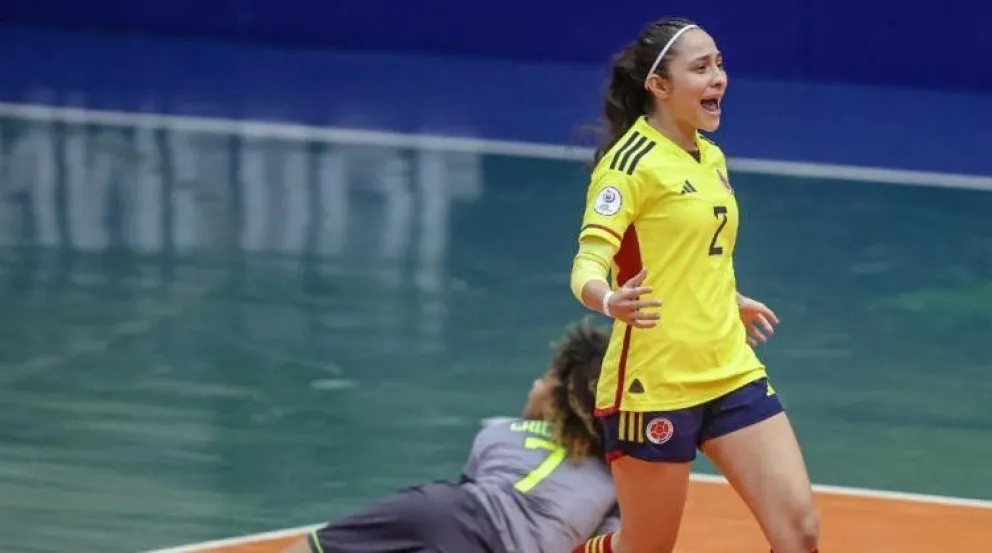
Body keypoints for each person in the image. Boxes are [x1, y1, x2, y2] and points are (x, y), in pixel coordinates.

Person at [567, 16, 820, 553]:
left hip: (729, 369)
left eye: (720, 64)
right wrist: (611, 300)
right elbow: (588, 264)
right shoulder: (627, 166)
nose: (719, 78)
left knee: (799, 535)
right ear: (659, 86)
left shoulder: (710, 155)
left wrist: (727, 298)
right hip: (654, 383)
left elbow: (696, 251)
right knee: (645, 548)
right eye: (701, 68)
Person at [281, 319, 619, 553]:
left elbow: (472, 491)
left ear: (558, 396)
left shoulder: (501, 432)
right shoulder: (613, 482)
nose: (535, 384)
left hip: (436, 510)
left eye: (544, 379)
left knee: (319, 547)